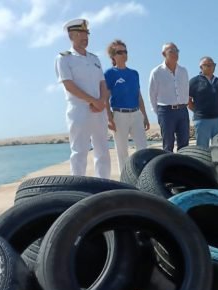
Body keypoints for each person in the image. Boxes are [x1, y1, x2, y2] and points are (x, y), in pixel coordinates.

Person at [55, 18, 111, 178]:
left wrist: (101, 102)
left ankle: (104, 187)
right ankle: (78, 190)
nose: (85, 37)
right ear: (71, 35)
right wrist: (93, 101)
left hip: (99, 110)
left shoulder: (94, 59)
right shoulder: (64, 58)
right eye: (81, 33)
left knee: (102, 151)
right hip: (79, 110)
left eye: (87, 33)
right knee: (79, 152)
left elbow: (102, 83)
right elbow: (69, 85)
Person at [104, 40, 150, 173]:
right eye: (120, 52)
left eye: (125, 51)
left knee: (143, 148)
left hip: (136, 114)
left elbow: (139, 96)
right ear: (113, 56)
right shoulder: (109, 74)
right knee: (122, 150)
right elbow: (105, 98)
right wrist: (109, 118)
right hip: (119, 115)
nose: (124, 54)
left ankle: (144, 176)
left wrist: (145, 116)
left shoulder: (134, 73)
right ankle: (125, 179)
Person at [149, 43, 189, 152]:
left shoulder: (183, 71)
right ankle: (168, 168)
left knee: (184, 144)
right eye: (171, 51)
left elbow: (186, 90)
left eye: (177, 51)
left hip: (182, 110)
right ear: (163, 54)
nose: (175, 53)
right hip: (166, 111)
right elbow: (152, 94)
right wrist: (159, 113)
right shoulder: (156, 72)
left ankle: (183, 168)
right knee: (168, 144)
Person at [188, 57, 218, 148]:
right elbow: (188, 101)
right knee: (202, 148)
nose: (212, 67)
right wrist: (198, 112)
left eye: (213, 65)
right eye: (208, 65)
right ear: (201, 67)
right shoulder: (194, 81)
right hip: (202, 120)